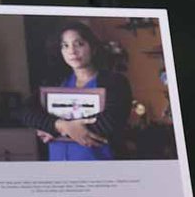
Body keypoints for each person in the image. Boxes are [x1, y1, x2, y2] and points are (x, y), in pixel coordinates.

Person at [19, 21, 131, 160]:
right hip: (60, 166)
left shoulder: (115, 82)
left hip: (100, 166)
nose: (72, 51)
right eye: (65, 45)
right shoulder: (56, 82)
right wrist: (60, 126)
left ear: (93, 47)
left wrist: (54, 130)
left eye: (79, 44)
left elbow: (110, 121)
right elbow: (25, 111)